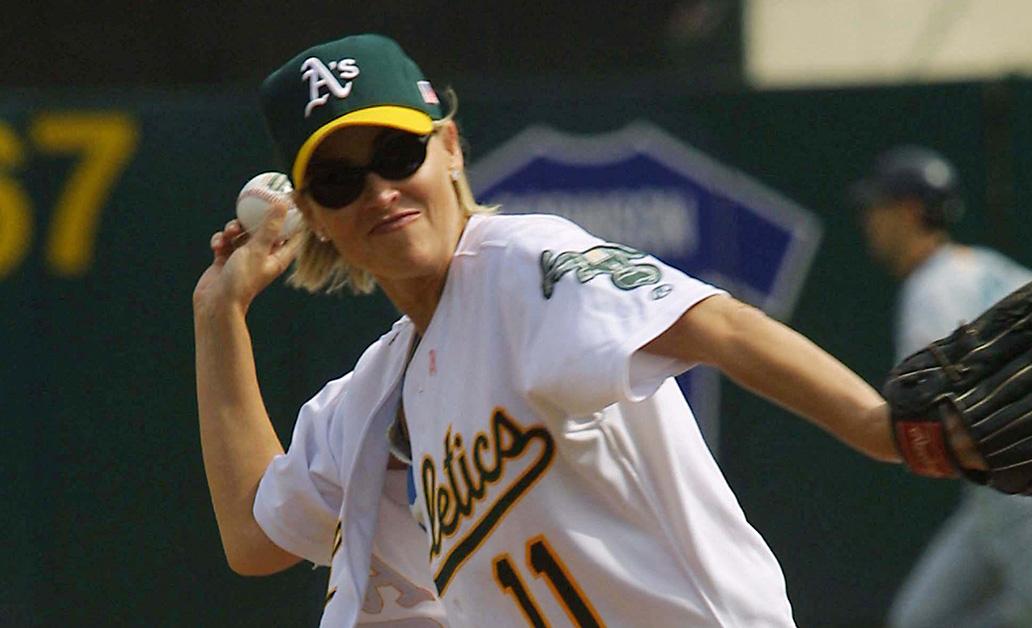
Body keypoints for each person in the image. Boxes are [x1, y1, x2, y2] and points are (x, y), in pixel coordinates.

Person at [193, 35, 986, 627]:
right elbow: (254, 536)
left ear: (451, 149)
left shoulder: (521, 263)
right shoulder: (372, 400)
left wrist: (882, 429)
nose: (380, 190)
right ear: (317, 218)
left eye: (399, 152)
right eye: (339, 177)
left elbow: (719, 326)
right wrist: (220, 316)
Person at [850, 146, 1032, 628]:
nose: (870, 222)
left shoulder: (930, 289)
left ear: (908, 211)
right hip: (1003, 492)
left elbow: (934, 415)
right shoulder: (985, 266)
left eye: (878, 209)